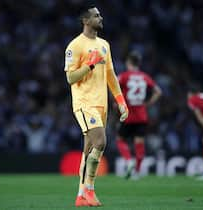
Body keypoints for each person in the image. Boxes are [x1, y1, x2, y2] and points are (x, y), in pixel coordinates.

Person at [64, 6, 129, 207]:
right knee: (100, 141)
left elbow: (111, 75)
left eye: (100, 14)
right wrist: (89, 65)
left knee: (89, 149)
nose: (101, 18)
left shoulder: (104, 45)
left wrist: (121, 101)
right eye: (96, 15)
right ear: (85, 19)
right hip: (84, 103)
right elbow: (70, 77)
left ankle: (80, 196)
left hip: (102, 104)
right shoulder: (75, 46)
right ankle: (90, 190)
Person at [116, 51, 162, 179]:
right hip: (142, 115)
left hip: (128, 114)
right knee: (139, 143)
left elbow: (114, 86)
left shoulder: (124, 76)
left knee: (120, 140)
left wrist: (117, 103)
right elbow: (158, 91)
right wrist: (147, 103)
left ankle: (129, 161)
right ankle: (136, 171)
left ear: (128, 63)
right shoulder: (145, 77)